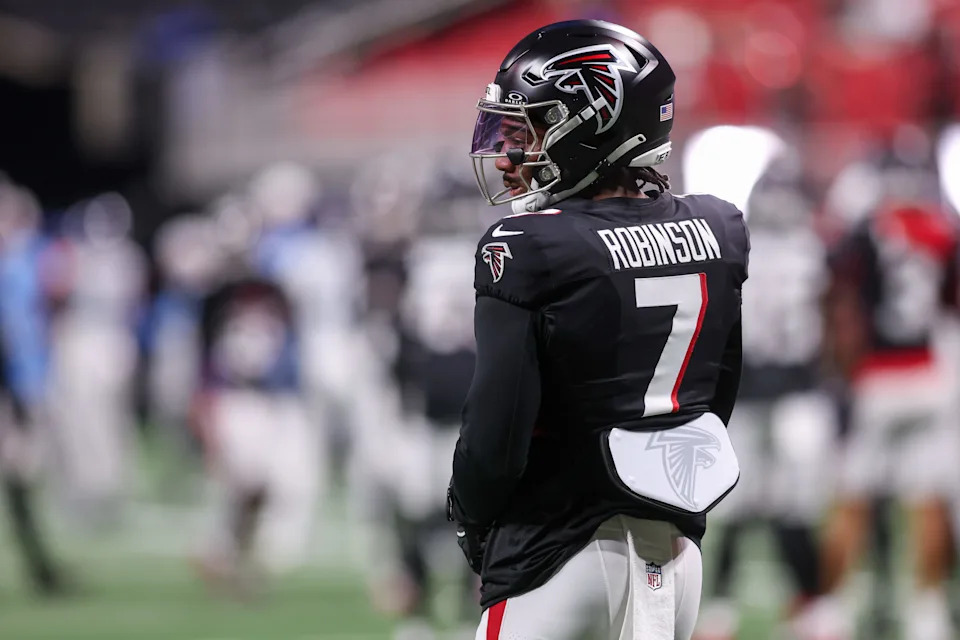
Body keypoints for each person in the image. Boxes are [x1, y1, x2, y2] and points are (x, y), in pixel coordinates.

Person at [446, 20, 749, 640]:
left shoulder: (530, 245)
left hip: (556, 553)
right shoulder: (718, 228)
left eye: (529, 131)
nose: (507, 157)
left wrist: (472, 521)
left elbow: (496, 432)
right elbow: (716, 397)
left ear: (595, 126)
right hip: (677, 558)